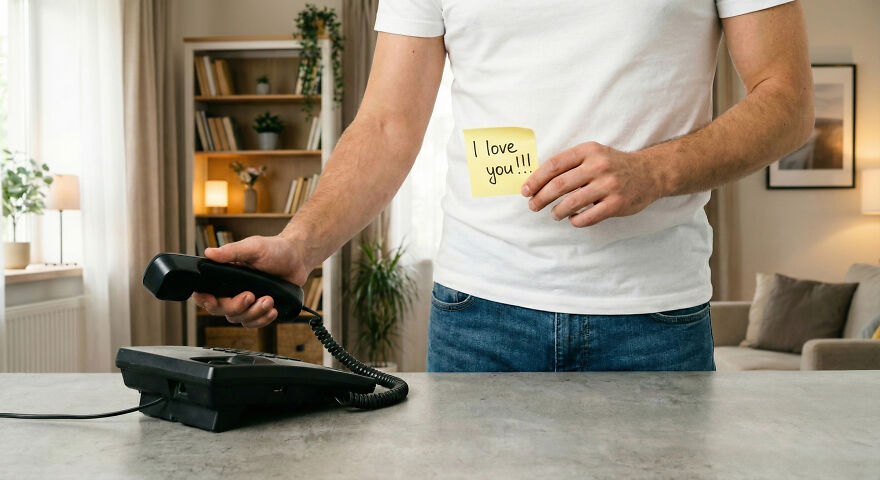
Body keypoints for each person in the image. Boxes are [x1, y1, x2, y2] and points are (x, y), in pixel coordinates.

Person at [193, 0, 813, 372]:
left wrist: (655, 171)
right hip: (478, 317)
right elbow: (387, 124)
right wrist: (299, 245)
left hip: (652, 318)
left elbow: (787, 102)